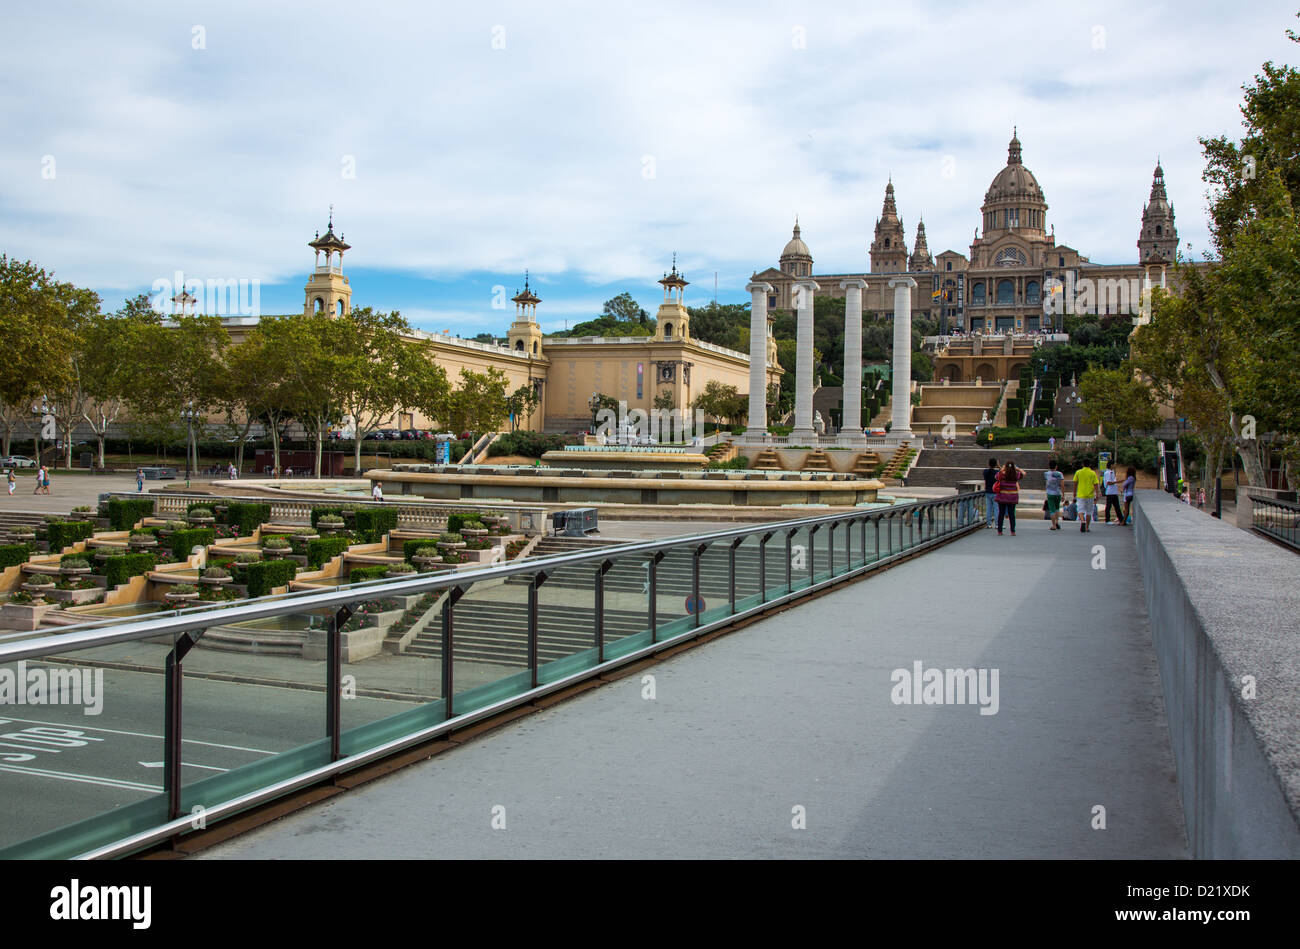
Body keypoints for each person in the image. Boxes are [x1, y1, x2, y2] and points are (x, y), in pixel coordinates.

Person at [993, 461, 1025, 536]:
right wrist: (1017, 469)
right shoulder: (1016, 475)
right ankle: (1012, 531)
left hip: (1002, 497)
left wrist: (1002, 469)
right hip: (1012, 497)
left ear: (1005, 467)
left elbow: (996, 477)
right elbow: (1023, 474)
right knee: (1011, 515)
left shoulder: (1001, 474)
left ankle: (1000, 531)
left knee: (1001, 514)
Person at [1073, 459, 1100, 533]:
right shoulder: (1092, 473)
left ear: (1082, 464)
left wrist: (1074, 492)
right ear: (1089, 464)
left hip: (1081, 494)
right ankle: (1087, 527)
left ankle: (1082, 521)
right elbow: (1096, 484)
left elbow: (1075, 482)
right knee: (1089, 511)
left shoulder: (1078, 472)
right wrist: (1097, 493)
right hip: (1090, 494)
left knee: (1080, 510)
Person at [1044, 458, 1065, 530]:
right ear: (1056, 466)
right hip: (1058, 493)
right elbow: (1062, 485)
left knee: (1052, 510)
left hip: (1050, 493)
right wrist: (1063, 495)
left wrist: (1046, 491)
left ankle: (1053, 525)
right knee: (1057, 508)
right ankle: (1057, 522)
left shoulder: (1046, 474)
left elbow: (1046, 484)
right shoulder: (1060, 474)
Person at [982, 457, 999, 529]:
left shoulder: (985, 471)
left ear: (989, 464)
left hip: (988, 492)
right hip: (995, 492)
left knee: (988, 509)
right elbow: (1003, 473)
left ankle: (988, 524)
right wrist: (999, 466)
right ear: (995, 464)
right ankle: (997, 524)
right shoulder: (997, 473)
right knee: (996, 509)